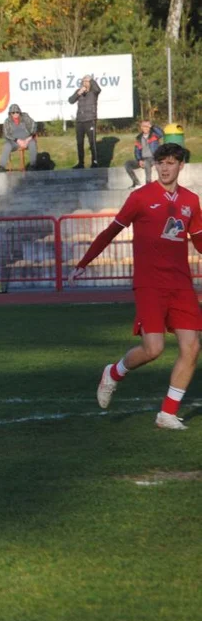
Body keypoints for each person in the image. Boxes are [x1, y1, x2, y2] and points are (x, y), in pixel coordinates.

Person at [69, 143, 201, 430]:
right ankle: (114, 373)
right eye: (161, 162)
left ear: (181, 166)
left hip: (181, 284)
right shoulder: (140, 198)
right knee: (153, 349)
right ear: (155, 166)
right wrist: (83, 262)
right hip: (150, 284)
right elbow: (110, 231)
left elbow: (200, 241)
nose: (166, 168)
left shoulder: (191, 200)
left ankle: (167, 413)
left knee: (191, 347)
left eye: (171, 162)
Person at [68, 74, 101, 168]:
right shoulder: (79, 92)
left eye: (87, 81)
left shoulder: (94, 92)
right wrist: (78, 93)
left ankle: (95, 162)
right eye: (84, 81)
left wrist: (91, 80)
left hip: (90, 119)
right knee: (79, 142)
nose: (85, 83)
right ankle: (80, 163)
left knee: (92, 142)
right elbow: (70, 100)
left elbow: (98, 89)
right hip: (79, 120)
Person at [0, 103, 37, 172]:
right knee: (7, 145)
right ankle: (1, 167)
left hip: (27, 139)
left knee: (33, 144)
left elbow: (34, 126)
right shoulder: (7, 121)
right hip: (14, 141)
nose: (15, 114)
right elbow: (6, 134)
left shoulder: (25, 117)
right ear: (10, 113)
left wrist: (27, 139)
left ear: (19, 112)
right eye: (13, 112)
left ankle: (33, 165)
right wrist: (17, 140)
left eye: (17, 112)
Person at [124, 120, 163, 187]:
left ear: (149, 127)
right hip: (143, 159)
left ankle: (148, 184)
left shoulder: (154, 135)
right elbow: (137, 151)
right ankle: (136, 183)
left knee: (146, 162)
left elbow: (161, 134)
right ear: (141, 127)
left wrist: (153, 126)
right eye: (143, 126)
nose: (145, 128)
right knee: (127, 164)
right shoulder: (139, 138)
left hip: (153, 158)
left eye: (147, 126)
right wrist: (139, 160)